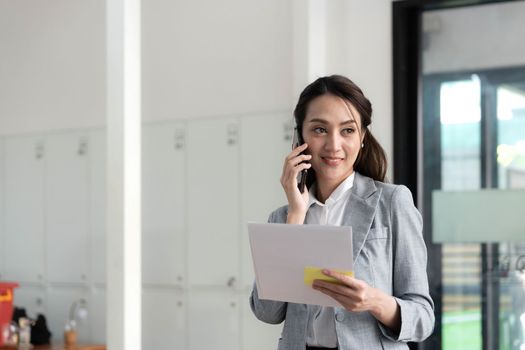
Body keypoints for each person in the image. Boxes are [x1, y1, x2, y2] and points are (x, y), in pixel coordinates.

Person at [250, 75, 434, 350]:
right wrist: (295, 219)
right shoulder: (283, 218)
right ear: (300, 136)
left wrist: (374, 301)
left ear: (362, 138)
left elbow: (423, 318)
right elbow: (267, 312)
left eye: (347, 130)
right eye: (320, 130)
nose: (334, 145)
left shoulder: (392, 202)